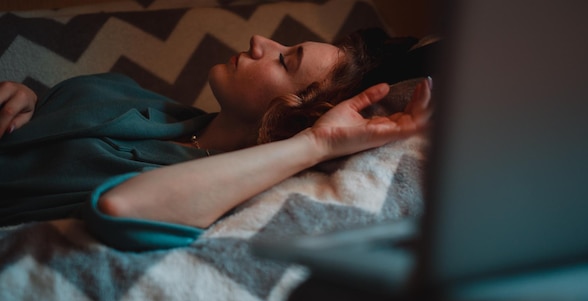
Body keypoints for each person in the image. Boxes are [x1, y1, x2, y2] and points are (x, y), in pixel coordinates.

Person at [0, 28, 434, 251]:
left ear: (294, 111)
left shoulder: (200, 191)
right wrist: (28, 100)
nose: (259, 41)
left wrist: (316, 144)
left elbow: (121, 208)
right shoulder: (120, 89)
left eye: (285, 59)